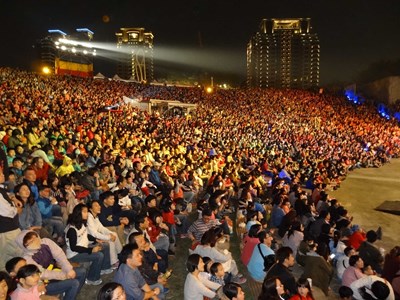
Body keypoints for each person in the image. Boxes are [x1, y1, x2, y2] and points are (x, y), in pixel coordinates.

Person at [14, 230, 86, 300]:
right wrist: (63, 275)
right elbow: (42, 273)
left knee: (82, 271)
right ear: (24, 247)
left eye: (34, 238)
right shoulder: (27, 258)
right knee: (74, 283)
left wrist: (68, 269)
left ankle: (72, 293)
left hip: (56, 270)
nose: (34, 242)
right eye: (29, 243)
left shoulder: (46, 241)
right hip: (43, 282)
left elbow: (59, 255)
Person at [65, 204, 113, 286]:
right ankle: (92, 279)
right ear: (78, 213)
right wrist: (91, 250)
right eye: (84, 212)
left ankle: (104, 268)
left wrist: (95, 239)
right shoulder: (71, 229)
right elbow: (74, 248)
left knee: (105, 245)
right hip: (75, 255)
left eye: (87, 211)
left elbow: (85, 234)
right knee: (98, 255)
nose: (87, 213)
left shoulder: (81, 223)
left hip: (84, 247)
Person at [87, 200, 123, 267]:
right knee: (110, 241)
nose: (99, 207)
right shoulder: (89, 217)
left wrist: (110, 233)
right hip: (91, 241)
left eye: (99, 205)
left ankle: (120, 254)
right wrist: (108, 237)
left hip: (96, 237)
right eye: (96, 206)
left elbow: (101, 228)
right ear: (90, 209)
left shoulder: (95, 217)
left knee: (114, 233)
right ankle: (113, 261)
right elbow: (94, 234)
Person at [0, 168, 23, 270]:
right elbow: (6, 211)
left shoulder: (2, 189)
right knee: (17, 256)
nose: (3, 175)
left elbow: (8, 195)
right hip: (7, 231)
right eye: (0, 173)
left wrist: (13, 198)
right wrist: (16, 209)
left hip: (9, 229)